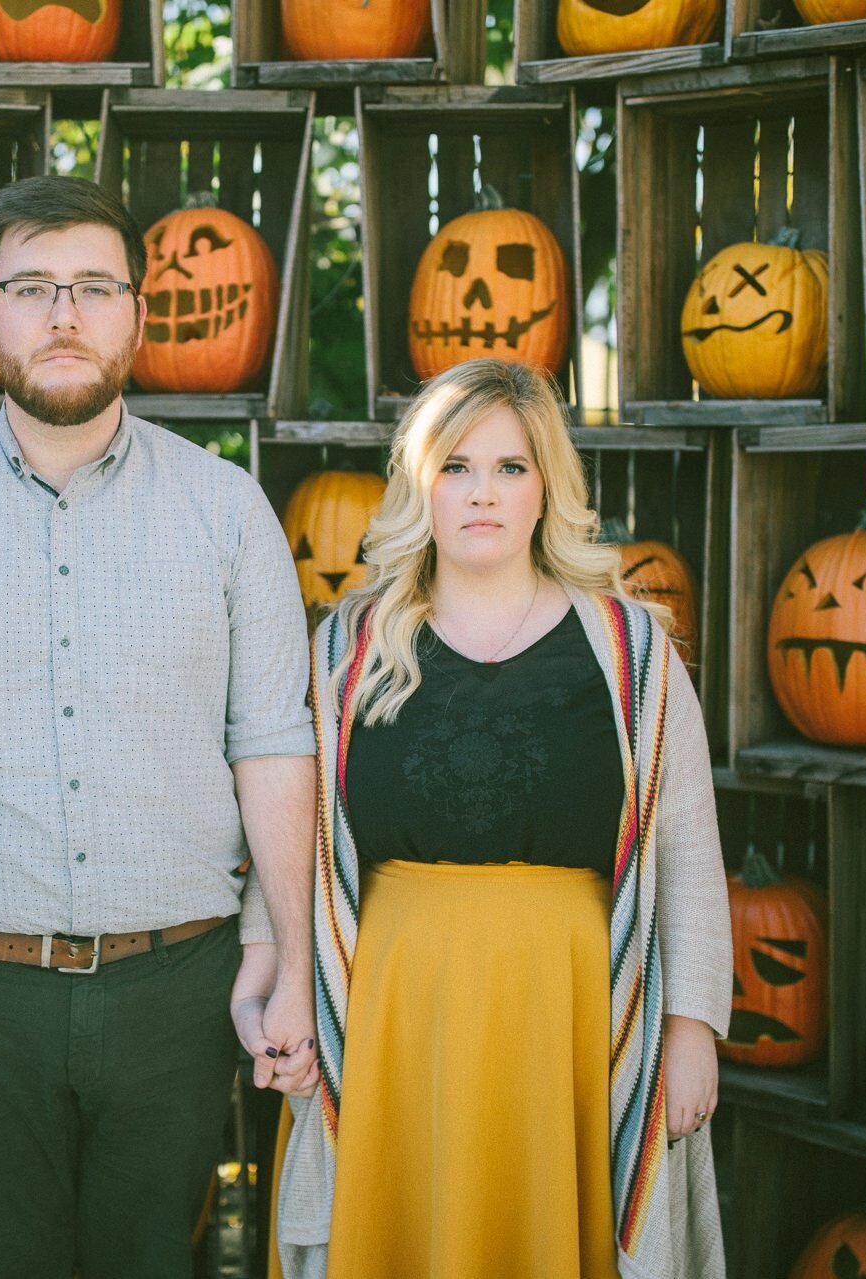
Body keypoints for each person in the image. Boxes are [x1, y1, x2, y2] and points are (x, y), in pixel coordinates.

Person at [0, 174, 318, 1279]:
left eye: (94, 285)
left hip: (179, 991)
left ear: (138, 310)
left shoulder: (228, 515)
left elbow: (273, 748)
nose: (65, 314)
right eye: (32, 287)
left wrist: (299, 963)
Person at [272, 358, 734, 1279]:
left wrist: (689, 1029)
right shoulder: (348, 649)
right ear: (420, 488)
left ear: (546, 489)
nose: (483, 493)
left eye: (511, 467)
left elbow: (685, 845)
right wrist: (285, 987)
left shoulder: (630, 649)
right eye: (457, 467)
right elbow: (292, 847)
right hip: (394, 1015)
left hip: (572, 1012)